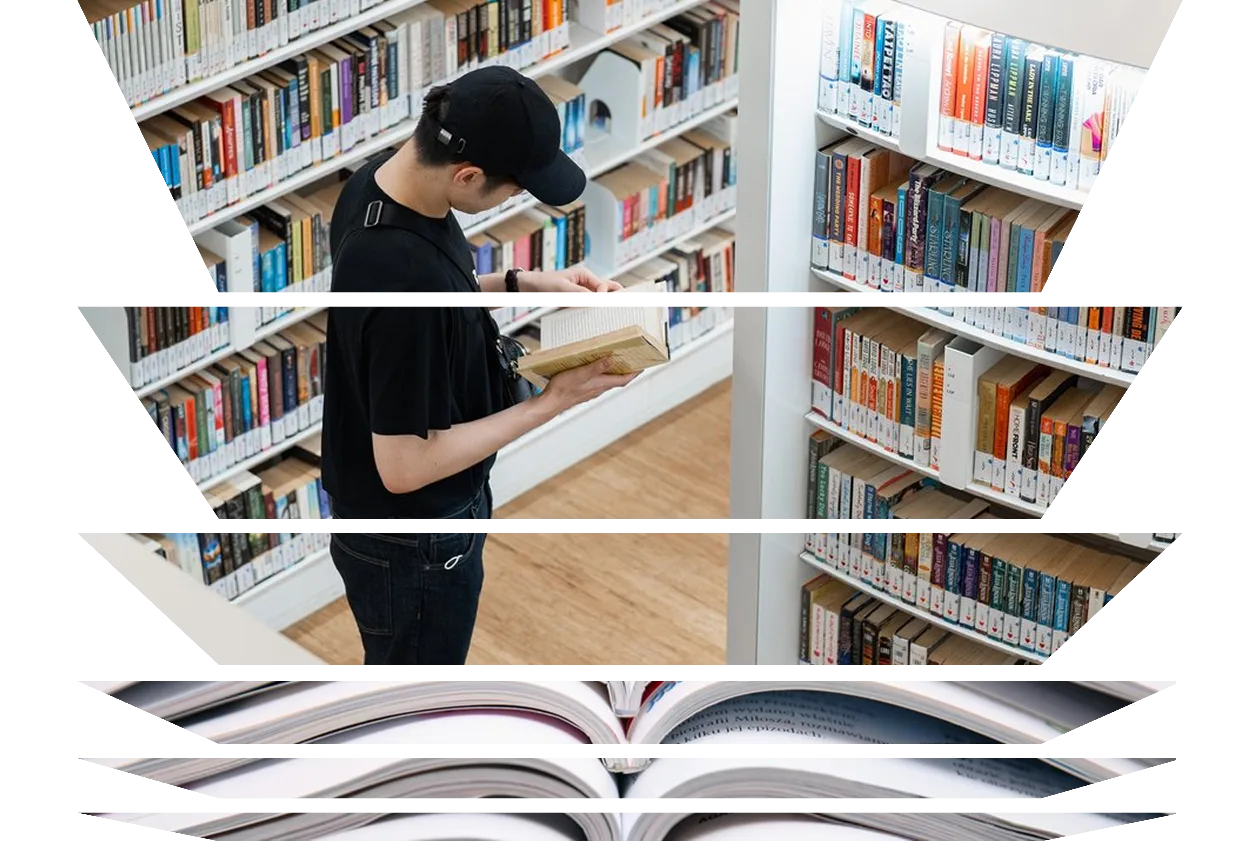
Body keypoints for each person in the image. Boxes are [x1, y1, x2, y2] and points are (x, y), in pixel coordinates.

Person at [321, 66, 639, 673]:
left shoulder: (376, 186)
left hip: (411, 523)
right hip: (412, 538)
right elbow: (405, 467)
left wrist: (522, 283)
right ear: (467, 174)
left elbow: (433, 297)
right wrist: (554, 401)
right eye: (514, 189)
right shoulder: (399, 275)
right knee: (417, 695)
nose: (516, 197)